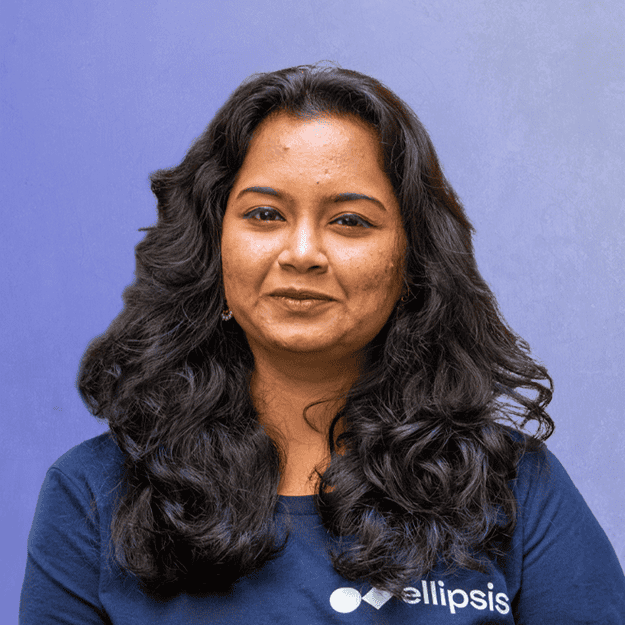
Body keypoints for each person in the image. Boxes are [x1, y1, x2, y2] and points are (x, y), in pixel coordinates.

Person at [20, 64, 625, 624]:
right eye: (264, 215)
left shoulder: (512, 487)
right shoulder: (94, 492)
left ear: (413, 263)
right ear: (212, 249)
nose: (302, 253)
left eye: (350, 221)